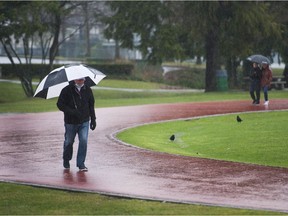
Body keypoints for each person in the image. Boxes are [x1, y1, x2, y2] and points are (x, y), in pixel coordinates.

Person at [57, 77, 96, 172]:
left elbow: (91, 105)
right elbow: (60, 104)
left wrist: (93, 119)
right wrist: (71, 112)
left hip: (84, 121)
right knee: (68, 142)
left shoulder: (88, 90)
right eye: (79, 79)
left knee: (83, 140)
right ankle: (66, 159)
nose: (81, 81)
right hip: (70, 122)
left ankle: (81, 164)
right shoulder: (66, 90)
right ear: (74, 79)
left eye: (82, 79)